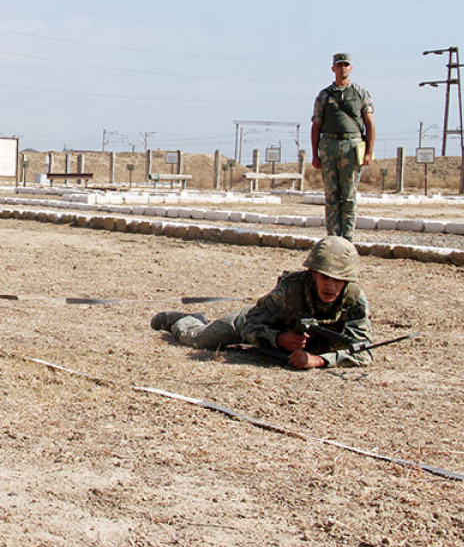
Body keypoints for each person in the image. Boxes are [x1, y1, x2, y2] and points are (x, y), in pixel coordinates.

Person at [150, 236, 372, 369]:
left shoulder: (353, 299)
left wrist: (319, 361)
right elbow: (250, 323)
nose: (331, 287)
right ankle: (184, 320)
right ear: (312, 273)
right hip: (257, 325)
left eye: (338, 281)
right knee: (200, 339)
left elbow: (363, 351)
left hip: (309, 351)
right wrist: (279, 339)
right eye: (325, 278)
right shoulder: (290, 289)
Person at [311, 53, 375, 242]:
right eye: (339, 65)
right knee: (331, 196)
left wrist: (369, 152)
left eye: (346, 65)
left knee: (348, 196)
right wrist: (315, 154)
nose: (343, 68)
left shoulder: (360, 93)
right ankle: (332, 238)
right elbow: (316, 125)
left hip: (352, 146)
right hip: (329, 146)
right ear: (333, 69)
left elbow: (369, 124)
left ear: (351, 68)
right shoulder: (324, 95)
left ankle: (347, 239)